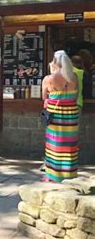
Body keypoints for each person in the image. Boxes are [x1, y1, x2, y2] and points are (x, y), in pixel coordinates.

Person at [41, 50, 78, 182]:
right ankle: (70, 173)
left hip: (55, 116)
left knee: (54, 144)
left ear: (54, 63)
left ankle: (54, 175)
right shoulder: (74, 77)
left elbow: (44, 98)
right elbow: (76, 96)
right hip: (71, 115)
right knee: (69, 144)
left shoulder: (48, 79)